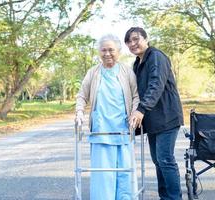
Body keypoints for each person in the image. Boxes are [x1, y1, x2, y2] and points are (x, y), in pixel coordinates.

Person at [75, 34, 139, 200]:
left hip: (123, 128)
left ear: (118, 51)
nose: (107, 53)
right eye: (103, 50)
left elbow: (136, 95)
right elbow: (82, 95)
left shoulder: (127, 71)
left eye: (111, 50)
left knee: (124, 173)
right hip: (101, 129)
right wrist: (79, 112)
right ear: (99, 52)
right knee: (103, 174)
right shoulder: (93, 72)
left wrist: (134, 113)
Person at [124, 27, 184, 200]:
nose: (132, 43)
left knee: (165, 159)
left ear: (146, 39)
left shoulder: (156, 56)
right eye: (129, 41)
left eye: (136, 39)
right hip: (153, 120)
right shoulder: (137, 63)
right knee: (158, 161)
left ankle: (174, 198)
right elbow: (135, 91)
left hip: (167, 116)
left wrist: (141, 109)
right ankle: (164, 196)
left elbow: (156, 85)